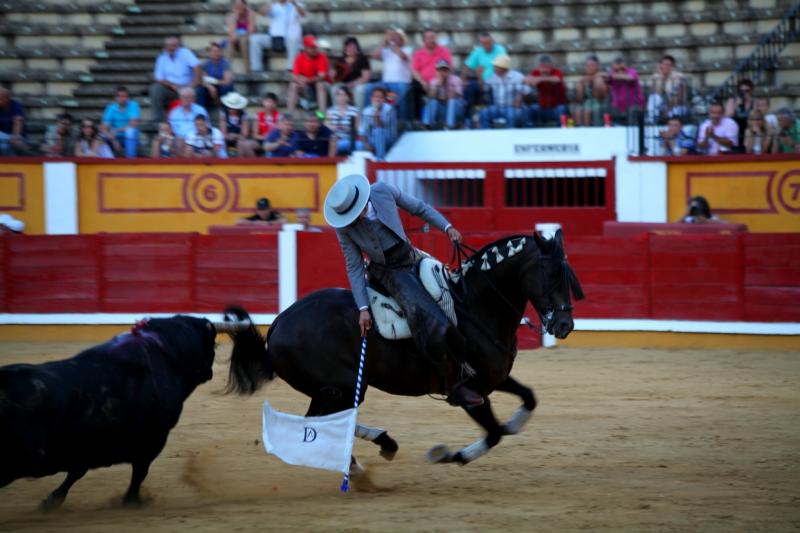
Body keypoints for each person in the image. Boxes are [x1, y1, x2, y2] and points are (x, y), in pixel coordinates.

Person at [323, 173, 482, 407]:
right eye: (350, 217)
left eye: (355, 213)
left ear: (362, 201)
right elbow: (354, 266)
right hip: (387, 272)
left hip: (412, 256)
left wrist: (446, 227)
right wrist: (363, 308)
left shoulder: (382, 191)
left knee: (454, 290)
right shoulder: (345, 228)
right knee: (427, 316)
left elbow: (419, 208)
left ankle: (473, 357)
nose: (354, 219)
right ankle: (452, 383)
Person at [149, 37, 201, 123]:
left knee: (198, 90)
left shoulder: (185, 53)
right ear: (165, 47)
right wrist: (172, 86)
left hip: (187, 86)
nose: (172, 48)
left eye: (174, 45)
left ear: (178, 46)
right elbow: (159, 78)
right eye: (169, 46)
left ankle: (197, 119)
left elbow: (197, 66)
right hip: (171, 89)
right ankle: (158, 120)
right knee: (155, 89)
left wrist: (193, 83)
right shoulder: (162, 58)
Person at [366, 28, 413, 120]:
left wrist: (393, 43)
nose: (393, 38)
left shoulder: (408, 49)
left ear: (402, 39)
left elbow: (403, 57)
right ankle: (370, 117)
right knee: (368, 88)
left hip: (401, 82)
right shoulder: (386, 50)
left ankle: (402, 121)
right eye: (392, 37)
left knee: (402, 90)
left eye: (396, 37)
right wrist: (384, 42)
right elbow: (374, 56)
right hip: (385, 83)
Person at [249, 0, 306, 73]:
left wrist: (294, 3)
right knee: (255, 39)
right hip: (274, 38)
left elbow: (303, 14)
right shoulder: (274, 5)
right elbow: (262, 13)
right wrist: (272, 3)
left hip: (289, 39)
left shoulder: (296, 4)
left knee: (294, 40)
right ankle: (256, 69)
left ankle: (291, 69)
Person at [462, 32, 507, 123]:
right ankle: (468, 117)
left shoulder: (500, 50)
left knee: (492, 89)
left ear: (493, 41)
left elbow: (504, 66)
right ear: (481, 43)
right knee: (468, 87)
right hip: (481, 81)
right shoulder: (478, 51)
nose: (487, 46)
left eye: (489, 43)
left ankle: (491, 117)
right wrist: (463, 80)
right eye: (484, 44)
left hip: (497, 81)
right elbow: (467, 66)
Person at [479, 54, 529, 128]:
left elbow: (526, 90)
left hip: (511, 107)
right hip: (497, 106)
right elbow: (484, 88)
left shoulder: (516, 76)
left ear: (503, 68)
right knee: (484, 113)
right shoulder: (493, 76)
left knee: (512, 116)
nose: (494, 68)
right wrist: (480, 75)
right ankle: (487, 136)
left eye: (496, 66)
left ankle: (510, 137)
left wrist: (519, 99)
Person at [411, 29, 453, 118]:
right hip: (423, 83)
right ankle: (417, 119)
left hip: (441, 81)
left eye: (433, 37)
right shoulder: (419, 53)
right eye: (428, 38)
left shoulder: (444, 51)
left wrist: (439, 80)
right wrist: (422, 82)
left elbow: (448, 67)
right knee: (413, 88)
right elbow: (415, 71)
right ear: (424, 40)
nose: (431, 40)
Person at [287, 35, 330, 113]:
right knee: (293, 85)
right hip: (306, 88)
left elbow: (322, 76)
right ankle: (289, 115)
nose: (315, 49)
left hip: (321, 88)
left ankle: (322, 115)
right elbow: (294, 76)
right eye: (312, 47)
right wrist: (300, 81)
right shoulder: (299, 58)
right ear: (305, 48)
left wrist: (307, 80)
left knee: (320, 85)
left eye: (316, 47)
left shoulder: (322, 57)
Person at [525, 54, 568, 127]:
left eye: (547, 67)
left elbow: (557, 79)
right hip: (542, 107)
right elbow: (527, 80)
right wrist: (536, 78)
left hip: (556, 107)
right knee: (529, 110)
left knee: (562, 109)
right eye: (542, 67)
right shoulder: (536, 72)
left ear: (551, 66)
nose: (545, 69)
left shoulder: (556, 71)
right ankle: (530, 132)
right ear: (539, 66)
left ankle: (562, 132)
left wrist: (541, 78)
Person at [329, 36, 371, 109]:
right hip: (343, 85)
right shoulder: (340, 60)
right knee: (334, 89)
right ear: (345, 49)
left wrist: (352, 84)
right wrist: (332, 74)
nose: (350, 49)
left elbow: (366, 77)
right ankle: (337, 112)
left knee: (359, 90)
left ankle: (359, 115)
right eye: (348, 47)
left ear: (357, 48)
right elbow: (334, 76)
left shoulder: (362, 59)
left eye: (353, 47)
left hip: (357, 85)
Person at [421, 59, 464, 129]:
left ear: (449, 71)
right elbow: (431, 96)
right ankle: (428, 125)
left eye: (445, 70)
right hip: (442, 108)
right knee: (432, 101)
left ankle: (450, 126)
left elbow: (454, 96)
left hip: (456, 109)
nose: (443, 72)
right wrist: (438, 84)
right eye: (440, 70)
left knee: (452, 101)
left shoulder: (456, 79)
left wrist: (446, 84)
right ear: (437, 71)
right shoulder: (434, 81)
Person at [101, 86, 140, 158]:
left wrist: (115, 130)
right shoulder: (110, 108)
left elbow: (133, 124)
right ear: (116, 98)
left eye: (125, 96)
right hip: (114, 136)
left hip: (128, 135)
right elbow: (104, 127)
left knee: (130, 131)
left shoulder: (133, 105)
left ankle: (130, 160)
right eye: (120, 96)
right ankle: (107, 161)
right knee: (101, 135)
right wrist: (113, 139)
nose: (123, 99)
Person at [646, 54, 687, 123]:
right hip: (661, 105)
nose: (666, 67)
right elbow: (656, 93)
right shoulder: (655, 77)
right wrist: (662, 77)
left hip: (675, 105)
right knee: (653, 97)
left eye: (669, 65)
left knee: (674, 111)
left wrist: (668, 108)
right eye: (664, 64)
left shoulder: (679, 77)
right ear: (660, 65)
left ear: (673, 66)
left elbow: (678, 97)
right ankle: (651, 120)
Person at [359, 86, 397, 160]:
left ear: (384, 99)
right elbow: (362, 132)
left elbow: (379, 125)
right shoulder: (366, 111)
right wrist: (366, 145)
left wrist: (376, 110)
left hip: (389, 138)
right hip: (372, 139)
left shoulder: (389, 109)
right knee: (357, 145)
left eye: (380, 97)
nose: (377, 99)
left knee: (378, 131)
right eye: (375, 96)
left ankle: (380, 160)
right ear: (371, 98)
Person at [197, 42, 235, 111]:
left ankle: (225, 113)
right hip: (212, 87)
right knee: (200, 90)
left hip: (223, 88)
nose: (216, 53)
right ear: (209, 53)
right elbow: (202, 80)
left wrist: (214, 82)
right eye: (214, 51)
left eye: (218, 51)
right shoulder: (206, 64)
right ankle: (202, 114)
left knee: (225, 88)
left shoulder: (225, 63)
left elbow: (227, 81)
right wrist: (210, 87)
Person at [606, 55, 643, 125]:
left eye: (621, 66)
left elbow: (631, 78)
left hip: (633, 105)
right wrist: (614, 73)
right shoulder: (612, 72)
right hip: (616, 106)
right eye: (617, 66)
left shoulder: (632, 71)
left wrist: (617, 75)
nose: (619, 69)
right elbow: (606, 77)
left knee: (632, 111)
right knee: (607, 110)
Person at [219, 92, 258, 157]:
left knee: (242, 144)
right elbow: (223, 133)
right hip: (227, 140)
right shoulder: (223, 114)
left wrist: (236, 136)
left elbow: (245, 134)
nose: (231, 109)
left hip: (240, 140)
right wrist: (229, 136)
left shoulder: (243, 115)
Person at [326, 86, 362, 155]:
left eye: (344, 95)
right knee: (333, 142)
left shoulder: (355, 111)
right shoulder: (330, 111)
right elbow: (327, 126)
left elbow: (358, 128)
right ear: (336, 97)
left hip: (350, 138)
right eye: (339, 95)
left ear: (348, 97)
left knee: (360, 145)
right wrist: (335, 127)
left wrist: (348, 129)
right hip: (335, 139)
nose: (341, 97)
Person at [573, 55, 608, 126]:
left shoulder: (601, 76)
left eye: (592, 65)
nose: (589, 67)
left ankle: (588, 132)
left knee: (587, 110)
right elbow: (579, 99)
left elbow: (602, 97)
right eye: (587, 65)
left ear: (597, 66)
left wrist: (594, 80)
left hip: (598, 102)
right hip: (586, 102)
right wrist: (580, 87)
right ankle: (579, 130)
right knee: (577, 110)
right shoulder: (583, 79)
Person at [225, 0, 256, 73]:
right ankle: (226, 71)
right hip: (236, 40)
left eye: (241, 5)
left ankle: (247, 69)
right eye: (237, 6)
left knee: (243, 41)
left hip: (247, 38)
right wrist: (235, 18)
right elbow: (231, 34)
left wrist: (238, 36)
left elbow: (251, 31)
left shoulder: (250, 14)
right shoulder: (230, 17)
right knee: (229, 44)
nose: (239, 8)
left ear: (245, 5)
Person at [725, 78, 755, 148]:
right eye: (741, 91)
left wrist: (748, 101)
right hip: (735, 127)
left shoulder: (754, 102)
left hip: (748, 128)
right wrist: (736, 105)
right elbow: (728, 115)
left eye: (747, 91)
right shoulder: (732, 100)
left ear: (751, 91)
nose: (744, 93)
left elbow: (756, 116)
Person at [0, 87, 30, 156]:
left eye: (0, 99)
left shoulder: (16, 106)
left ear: (7, 99)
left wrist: (15, 136)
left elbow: (18, 121)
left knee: (14, 144)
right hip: (2, 137)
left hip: (16, 136)